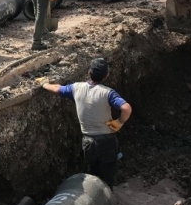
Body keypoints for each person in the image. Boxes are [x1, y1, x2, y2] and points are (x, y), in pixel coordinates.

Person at [42, 58, 132, 188]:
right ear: (106, 75)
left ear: (89, 73)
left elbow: (56, 88)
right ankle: (106, 202)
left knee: (94, 176)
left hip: (88, 142)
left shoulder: (76, 88)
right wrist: (119, 122)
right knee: (107, 178)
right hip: (106, 142)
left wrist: (44, 84)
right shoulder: (107, 93)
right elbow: (126, 108)